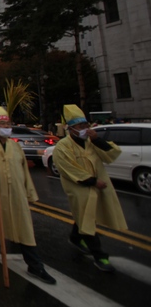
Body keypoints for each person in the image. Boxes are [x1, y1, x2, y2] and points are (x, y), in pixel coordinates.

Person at [0, 106, 56, 285]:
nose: (6, 126)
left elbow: (24, 171)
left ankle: (35, 264)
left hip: (16, 194)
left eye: (8, 123)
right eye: (1, 123)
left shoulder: (15, 146)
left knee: (24, 228)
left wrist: (29, 193)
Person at [54, 104, 127, 272]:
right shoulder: (63, 146)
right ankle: (100, 256)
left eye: (86, 125)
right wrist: (91, 181)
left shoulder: (91, 142)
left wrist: (97, 140)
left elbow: (111, 155)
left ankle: (75, 237)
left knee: (84, 215)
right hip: (79, 187)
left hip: (98, 185)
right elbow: (67, 168)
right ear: (71, 128)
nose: (84, 129)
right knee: (87, 217)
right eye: (80, 126)